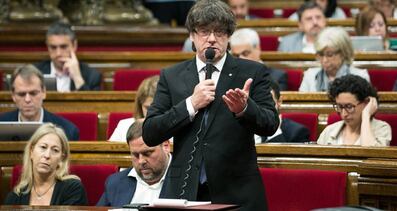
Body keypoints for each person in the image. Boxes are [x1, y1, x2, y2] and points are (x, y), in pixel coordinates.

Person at [142, 0, 278, 210]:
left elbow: (270, 124)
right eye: (205, 31)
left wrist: (244, 109)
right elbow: (150, 132)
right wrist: (190, 104)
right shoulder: (171, 75)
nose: (212, 39)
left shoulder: (252, 72)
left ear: (229, 36)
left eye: (220, 32)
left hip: (237, 192)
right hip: (184, 191)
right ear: (192, 36)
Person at [3, 123, 88, 205]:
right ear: (31, 151)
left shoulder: (73, 189)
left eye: (55, 150)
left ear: (61, 158)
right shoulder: (16, 196)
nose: (47, 155)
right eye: (43, 147)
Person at [98, 121, 171, 206]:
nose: (141, 161)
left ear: (166, 146)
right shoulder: (115, 182)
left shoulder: (187, 180)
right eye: (135, 155)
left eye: (147, 153)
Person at [0, 64, 79, 140]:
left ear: (44, 92)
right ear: (13, 96)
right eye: (21, 94)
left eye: (33, 93)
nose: (27, 99)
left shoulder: (67, 130)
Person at [317, 75, 391, 146]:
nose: (344, 114)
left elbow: (371, 153)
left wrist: (366, 116)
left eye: (349, 107)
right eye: (339, 106)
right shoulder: (329, 131)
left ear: (366, 103)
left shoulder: (381, 128)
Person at [35, 21, 102, 92]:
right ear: (47, 47)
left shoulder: (92, 76)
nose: (58, 53)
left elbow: (92, 103)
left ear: (74, 46)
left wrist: (77, 78)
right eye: (53, 47)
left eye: (63, 47)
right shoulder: (35, 73)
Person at [299, 27, 370, 92]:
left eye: (330, 55)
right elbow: (300, 104)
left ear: (343, 53)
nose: (324, 60)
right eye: (321, 55)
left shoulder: (360, 76)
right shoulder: (309, 75)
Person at [109, 75, 159, 142]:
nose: (151, 113)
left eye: (157, 108)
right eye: (147, 108)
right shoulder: (124, 126)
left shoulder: (176, 130)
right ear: (140, 105)